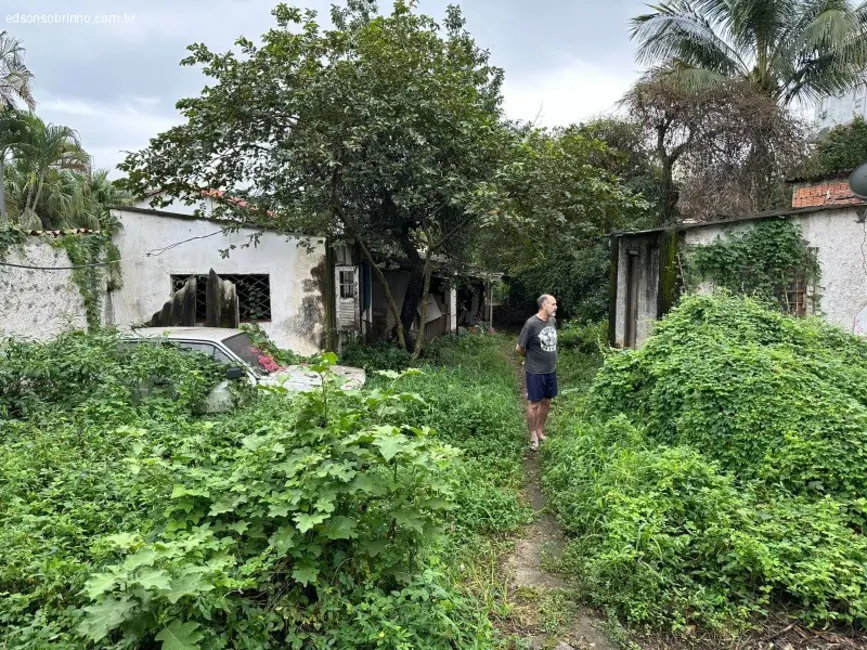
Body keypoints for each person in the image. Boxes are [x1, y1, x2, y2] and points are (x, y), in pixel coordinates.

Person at [516, 294, 558, 451]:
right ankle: (532, 434)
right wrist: (531, 358)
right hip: (535, 371)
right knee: (534, 404)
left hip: (551, 370)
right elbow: (519, 348)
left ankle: (540, 430)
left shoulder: (552, 321)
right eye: (553, 304)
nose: (556, 307)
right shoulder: (531, 324)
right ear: (544, 305)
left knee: (547, 401)